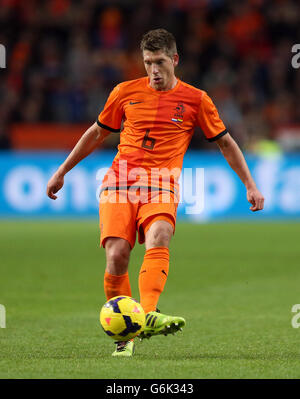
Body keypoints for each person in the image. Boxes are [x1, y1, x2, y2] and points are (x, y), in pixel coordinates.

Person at [46, 28, 264, 357]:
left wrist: (250, 184)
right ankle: (124, 336)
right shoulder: (124, 92)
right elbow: (96, 133)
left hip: (162, 182)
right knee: (117, 255)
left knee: (159, 234)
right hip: (120, 181)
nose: (154, 70)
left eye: (160, 62)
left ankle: (146, 313)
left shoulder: (196, 99)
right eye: (148, 63)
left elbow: (225, 142)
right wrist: (62, 170)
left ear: (174, 60)